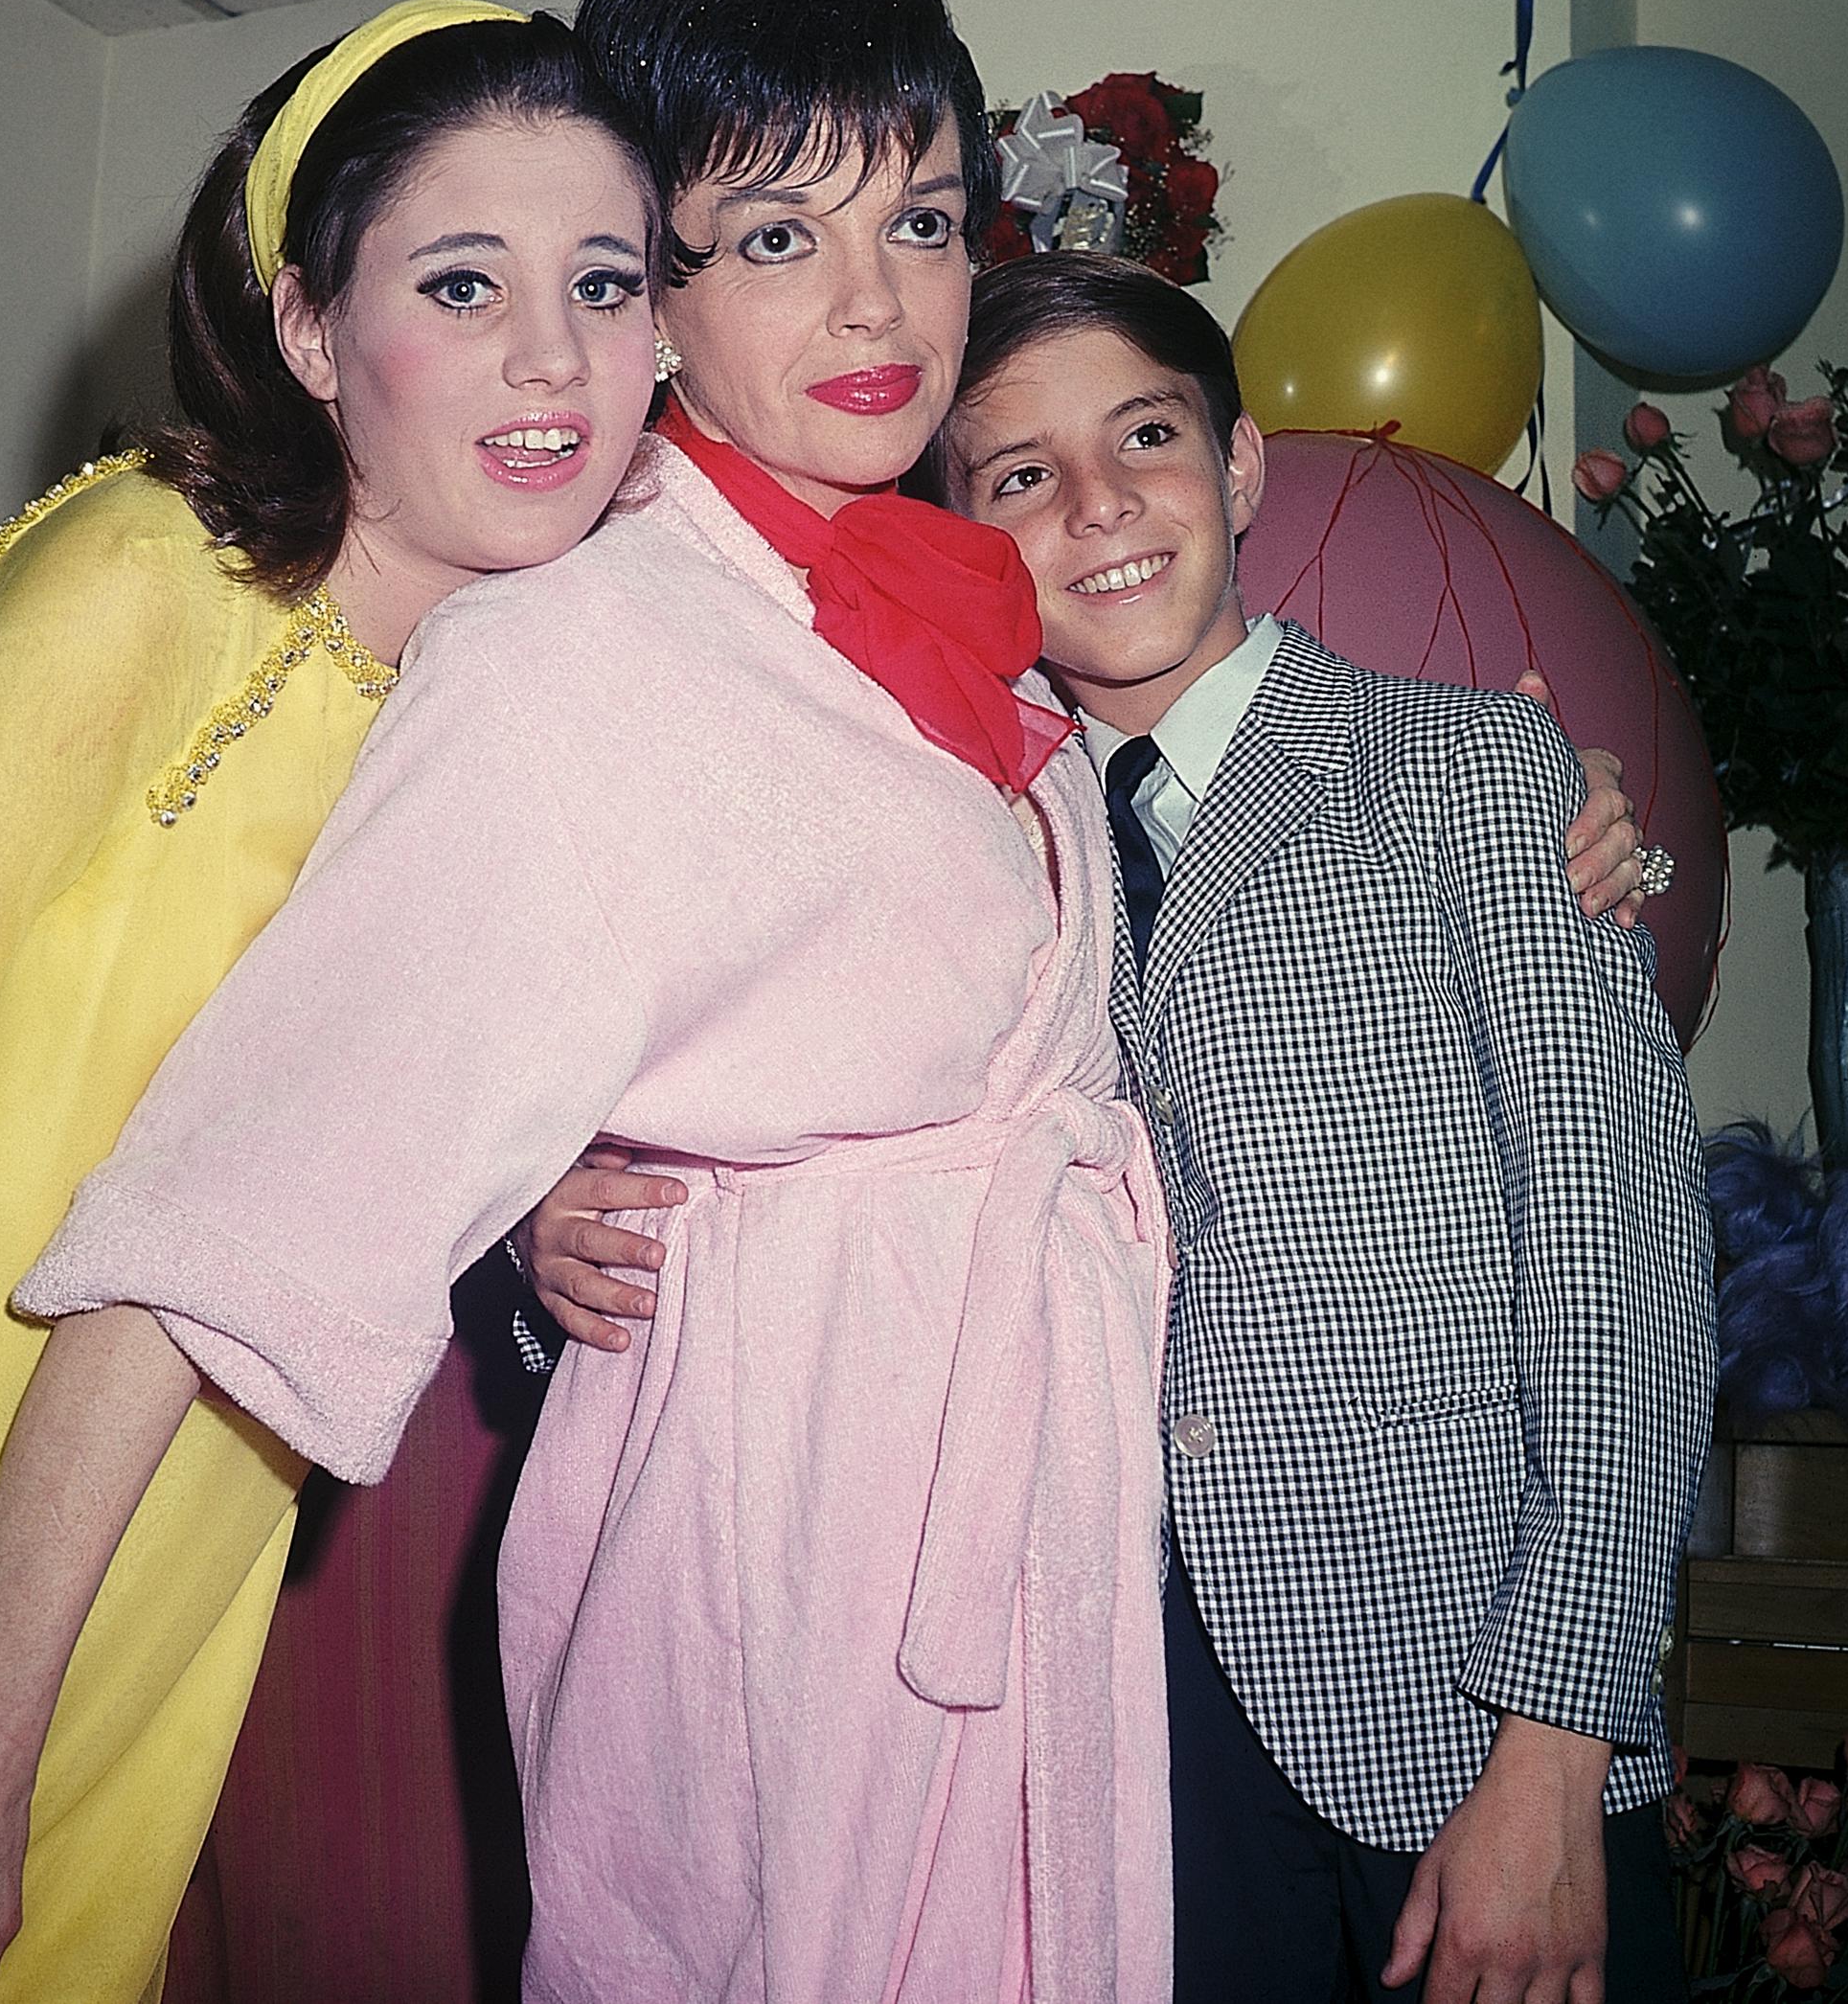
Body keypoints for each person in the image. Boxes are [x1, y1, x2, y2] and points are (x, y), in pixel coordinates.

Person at [0, 0, 1186, 2004]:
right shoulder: (574, 658)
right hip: (786, 1576)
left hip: (1019, 1564)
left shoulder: (976, 643)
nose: (880, 301)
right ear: (664, 298)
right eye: (775, 235)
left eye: (930, 217)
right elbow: (227, 1216)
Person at [0, 0, 663, 2004]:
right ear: (306, 330)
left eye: (607, 282)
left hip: (139, 1544)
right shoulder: (150, 575)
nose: (557, 357)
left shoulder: (525, 726)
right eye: (466, 282)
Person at [541, 252, 1709, 2002]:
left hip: (1466, 1710)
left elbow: (1629, 1279)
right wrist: (552, 1206)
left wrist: (1556, 1746)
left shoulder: (1473, 777)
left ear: (1237, 469)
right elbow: (731, 1087)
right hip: (1097, 1732)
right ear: (962, 534)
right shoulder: (953, 833)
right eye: (1018, 477)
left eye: (1145, 439)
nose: (1098, 509)